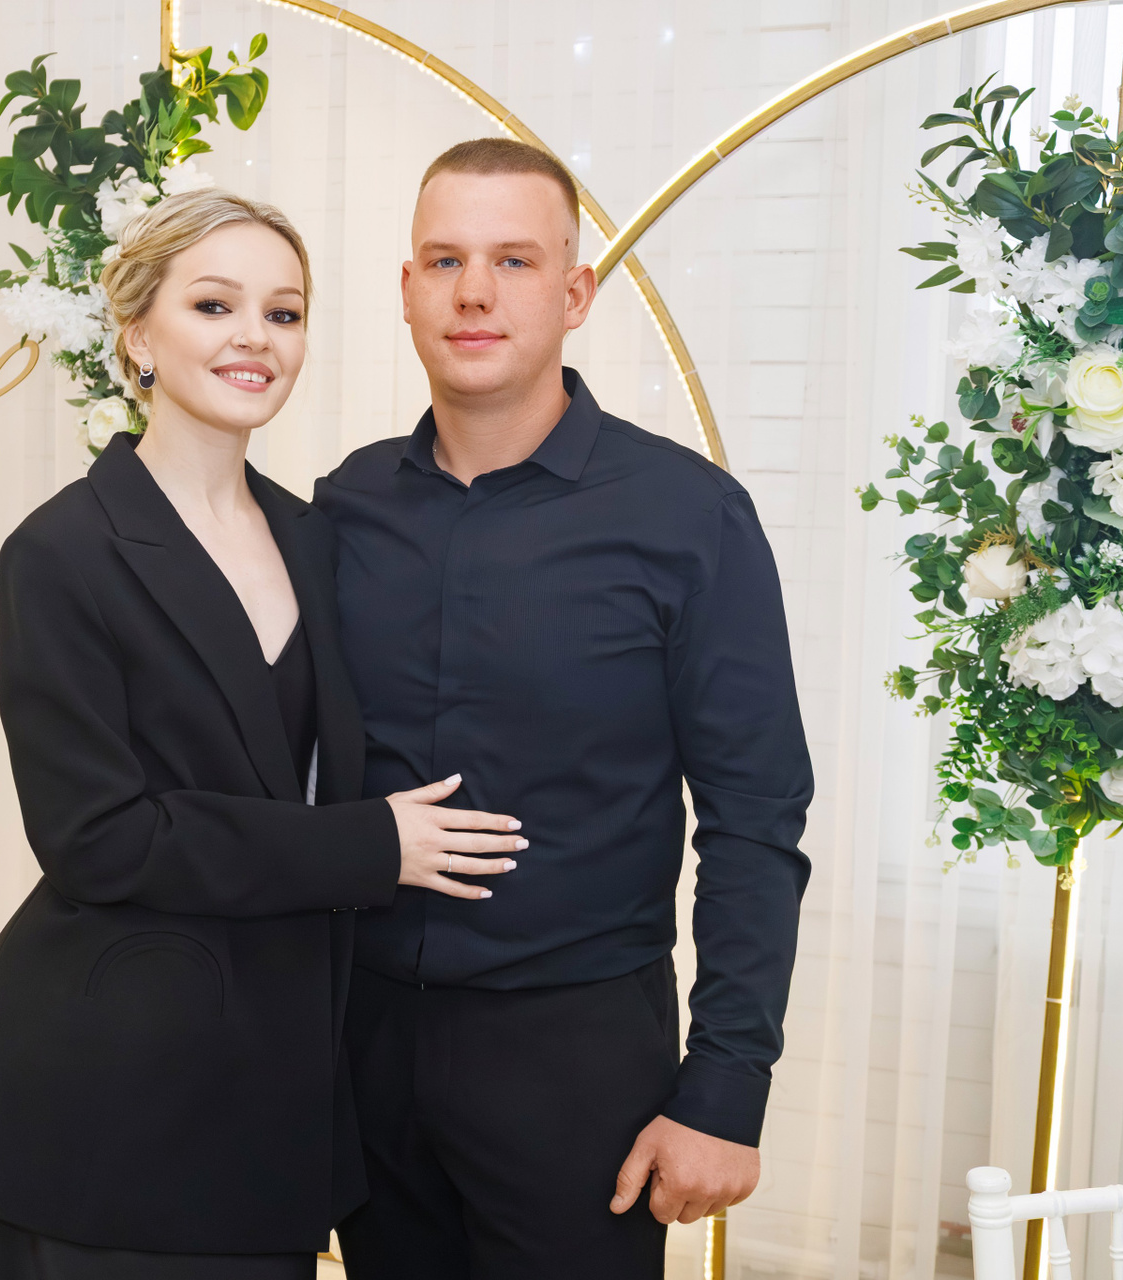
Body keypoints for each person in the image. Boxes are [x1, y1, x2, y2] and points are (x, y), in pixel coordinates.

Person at [0, 189, 529, 1279]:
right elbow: (98, 838)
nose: (255, 337)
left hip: (273, 1087)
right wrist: (371, 844)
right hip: (104, 1089)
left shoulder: (317, 535)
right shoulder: (61, 552)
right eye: (213, 304)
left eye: (283, 313)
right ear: (137, 334)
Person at [315, 139, 815, 1279]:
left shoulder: (689, 517)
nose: (474, 293)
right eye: (445, 260)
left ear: (576, 293)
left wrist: (726, 1087)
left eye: (514, 260)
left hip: (577, 1058)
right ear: (406, 290)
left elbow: (754, 818)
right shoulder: (344, 506)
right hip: (363, 1041)